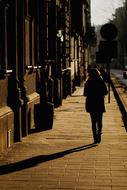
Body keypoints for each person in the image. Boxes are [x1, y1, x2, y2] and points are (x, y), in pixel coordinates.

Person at [83, 68, 108, 144]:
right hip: (99, 103)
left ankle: (95, 138)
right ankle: (99, 136)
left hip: (91, 104)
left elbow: (85, 94)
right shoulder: (101, 82)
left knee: (93, 122)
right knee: (99, 121)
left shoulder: (88, 82)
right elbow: (106, 92)